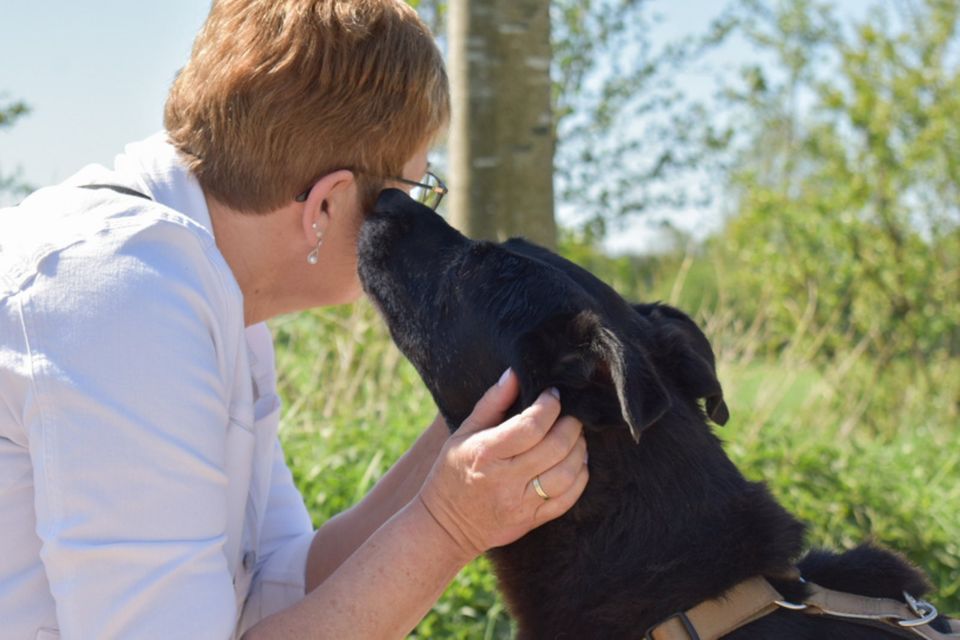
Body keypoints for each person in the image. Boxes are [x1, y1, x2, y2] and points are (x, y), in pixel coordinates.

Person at [0, 1, 589, 638]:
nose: (420, 222)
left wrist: (463, 432)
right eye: (413, 193)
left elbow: (278, 586)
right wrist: (450, 528)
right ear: (327, 205)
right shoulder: (121, 296)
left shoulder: (210, 285)